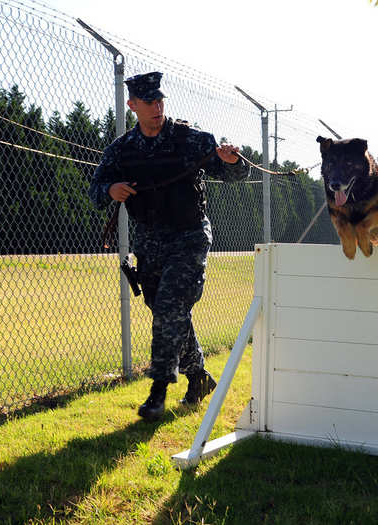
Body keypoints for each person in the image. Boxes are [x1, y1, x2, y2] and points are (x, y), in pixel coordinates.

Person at [88, 71, 247, 421]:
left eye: (160, 101)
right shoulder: (123, 149)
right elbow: (96, 188)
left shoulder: (191, 139)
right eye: (149, 102)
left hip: (189, 237)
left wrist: (233, 160)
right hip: (149, 244)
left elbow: (235, 174)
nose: (157, 107)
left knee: (171, 305)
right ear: (133, 106)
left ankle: (158, 390)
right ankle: (199, 377)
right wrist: (111, 189)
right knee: (167, 311)